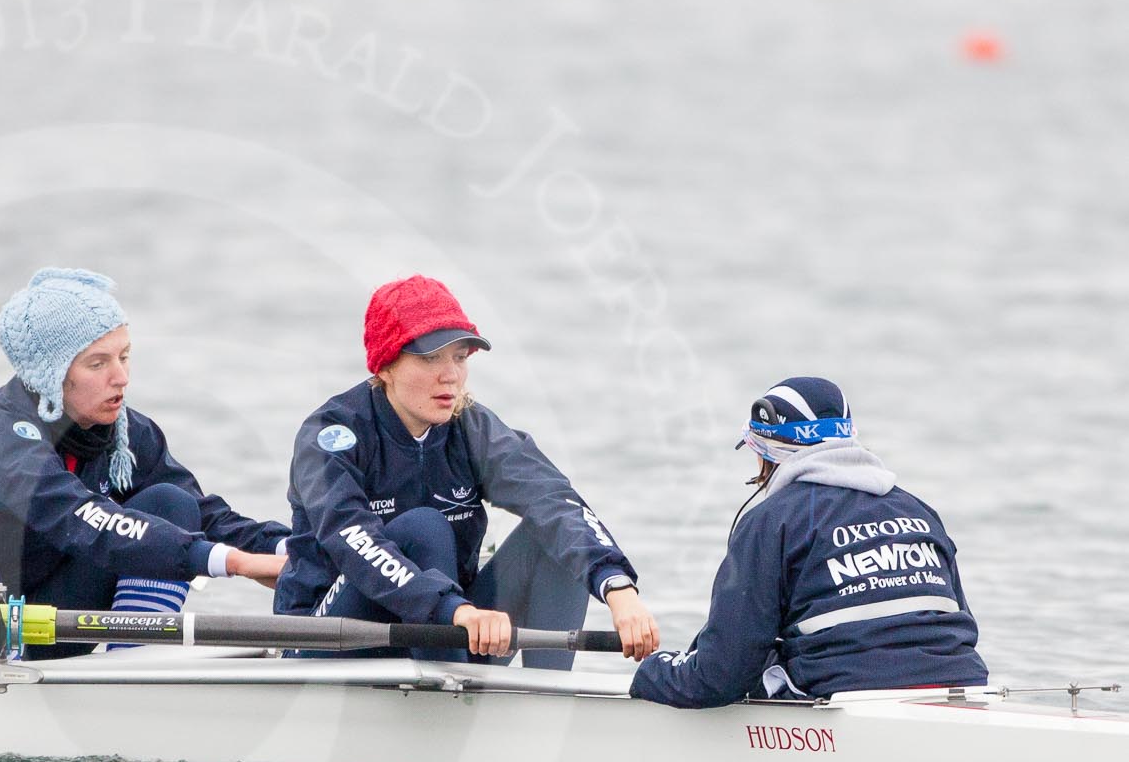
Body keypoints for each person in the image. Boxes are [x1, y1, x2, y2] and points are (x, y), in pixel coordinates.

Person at [0, 267, 288, 666]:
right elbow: (80, 518)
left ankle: (129, 679)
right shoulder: (0, 434)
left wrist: (296, 551)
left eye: (124, 356)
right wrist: (231, 563)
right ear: (51, 375)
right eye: (98, 363)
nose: (121, 378)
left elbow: (210, 518)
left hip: (24, 622)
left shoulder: (127, 434)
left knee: (171, 504)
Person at [276, 274, 659, 668]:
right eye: (430, 358)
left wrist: (617, 587)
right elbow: (352, 537)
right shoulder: (331, 435)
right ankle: (453, 700)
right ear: (385, 365)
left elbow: (553, 498)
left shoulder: (471, 427)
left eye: (459, 357)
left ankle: (544, 710)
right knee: (423, 528)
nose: (451, 375)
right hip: (327, 642)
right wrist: (454, 608)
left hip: (448, 631)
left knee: (552, 535)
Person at [632, 377, 987, 707]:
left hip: (850, 695)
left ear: (770, 450)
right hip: (962, 685)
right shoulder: (919, 510)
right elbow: (961, 624)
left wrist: (654, 671)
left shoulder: (770, 522)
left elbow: (720, 675)